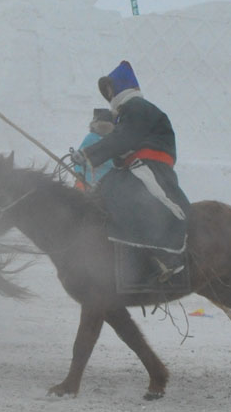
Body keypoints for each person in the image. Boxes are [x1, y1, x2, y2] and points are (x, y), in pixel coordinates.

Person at [69, 60, 191, 291]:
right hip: (138, 165)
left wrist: (88, 154)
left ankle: (168, 257)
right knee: (109, 189)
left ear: (120, 87)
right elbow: (124, 143)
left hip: (151, 167)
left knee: (127, 195)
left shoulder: (136, 107)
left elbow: (123, 139)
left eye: (110, 89)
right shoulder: (129, 112)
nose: (108, 94)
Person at [73, 108, 115, 188]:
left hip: (92, 183)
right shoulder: (110, 139)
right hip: (99, 183)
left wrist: (79, 173)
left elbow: (78, 160)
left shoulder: (91, 137)